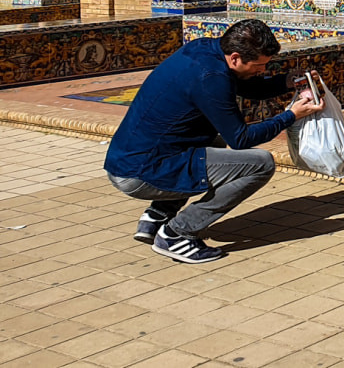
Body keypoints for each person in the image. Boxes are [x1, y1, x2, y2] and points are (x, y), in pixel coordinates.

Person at [104, 19, 323, 264]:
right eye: (259, 65)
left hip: (126, 161)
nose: (262, 70)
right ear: (236, 58)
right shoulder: (211, 76)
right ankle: (176, 234)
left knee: (215, 144)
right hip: (139, 174)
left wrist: (286, 81)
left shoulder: (205, 50)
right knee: (261, 164)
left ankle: (157, 216)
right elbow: (241, 139)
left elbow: (244, 85)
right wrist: (290, 116)